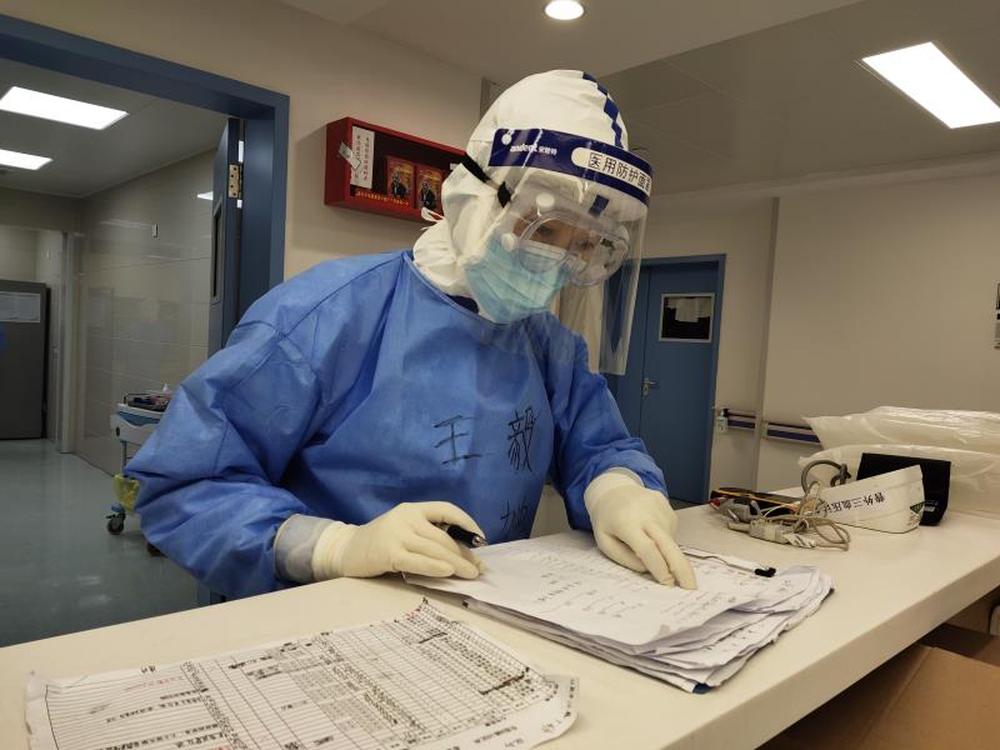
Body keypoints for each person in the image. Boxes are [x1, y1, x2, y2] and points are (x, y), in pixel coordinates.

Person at [128, 70, 697, 599]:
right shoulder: (324, 316)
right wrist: (335, 547)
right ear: (473, 196)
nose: (558, 265)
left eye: (585, 245)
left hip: (483, 619)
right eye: (545, 230)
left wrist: (618, 490)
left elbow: (602, 446)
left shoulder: (548, 344)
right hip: (325, 623)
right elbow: (184, 485)